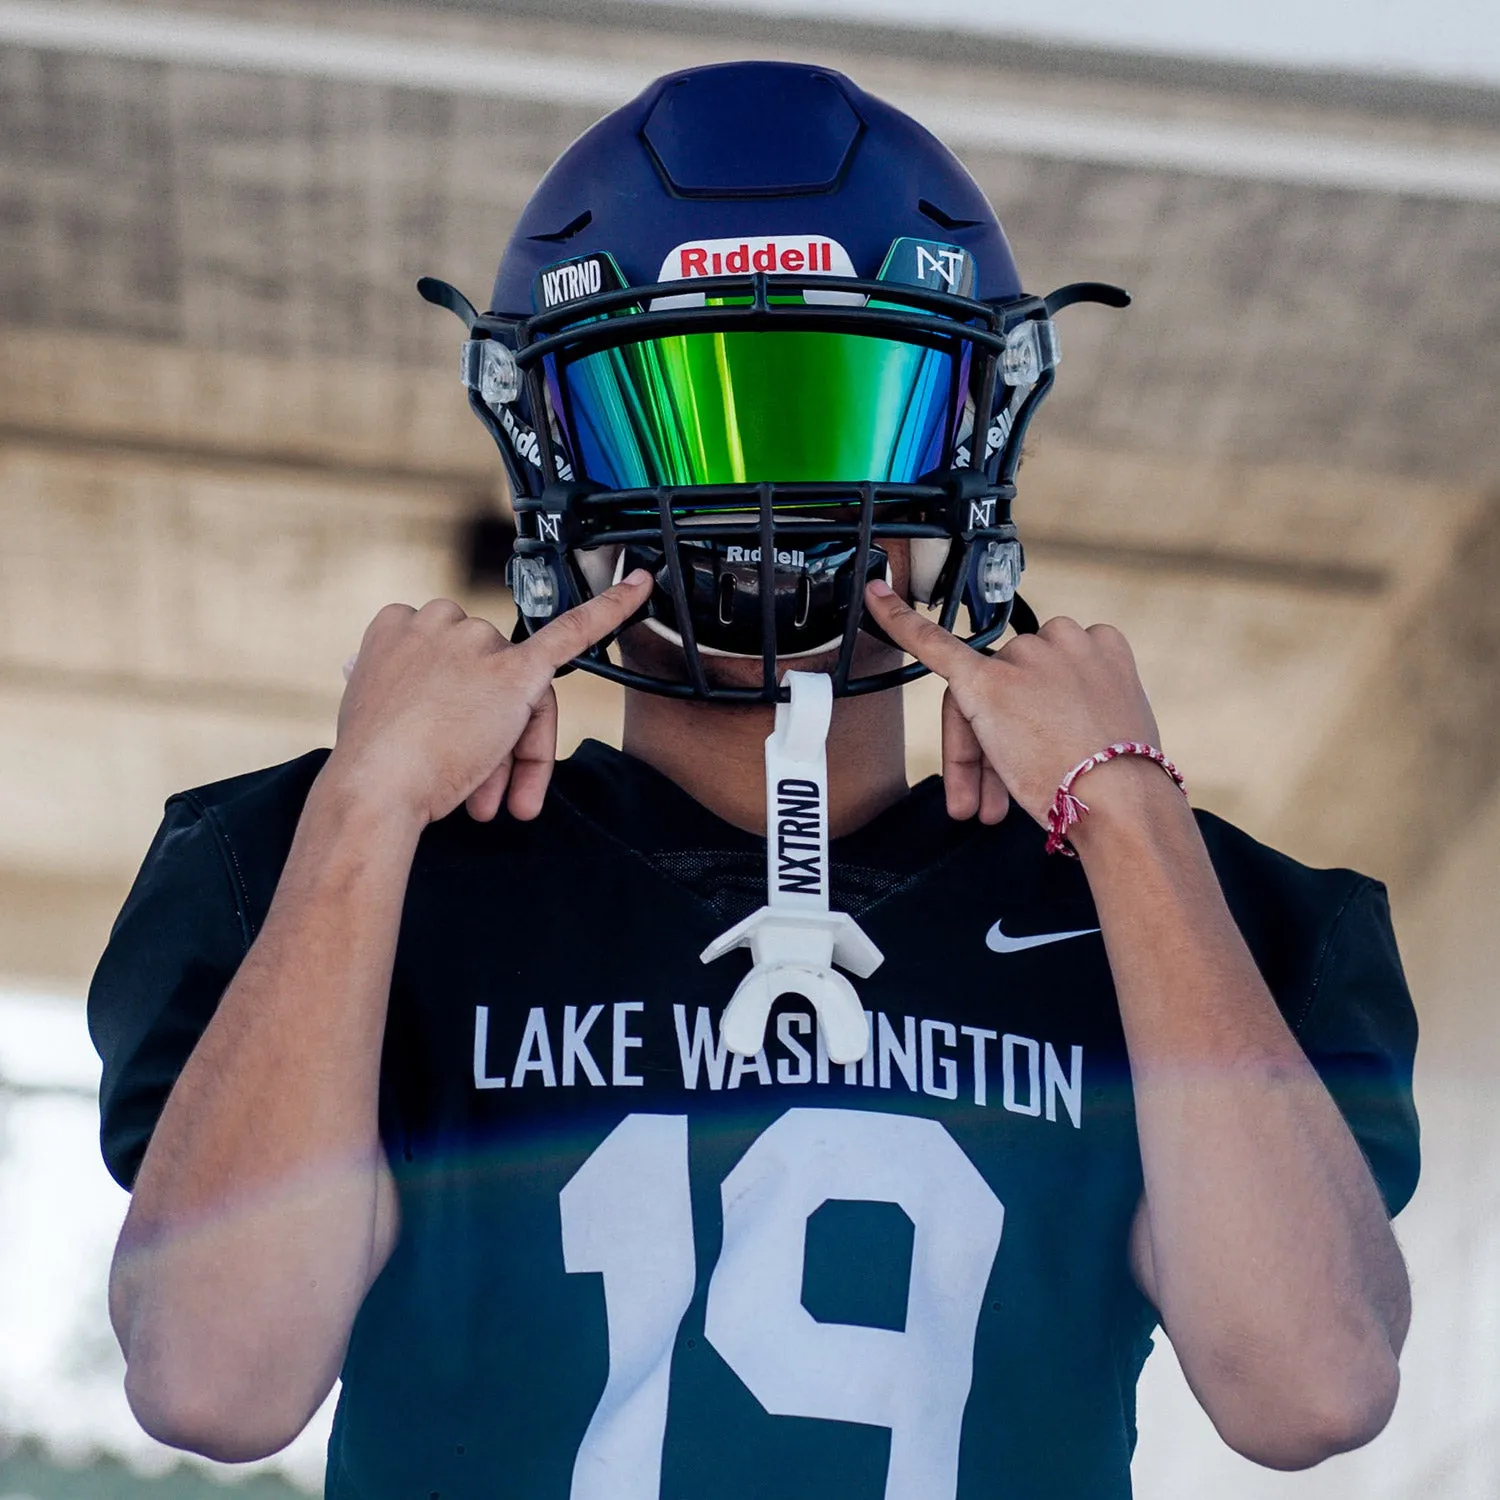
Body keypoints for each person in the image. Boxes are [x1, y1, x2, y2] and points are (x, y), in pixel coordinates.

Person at [88, 60, 1418, 1500]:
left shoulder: (1183, 919)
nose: (758, 495)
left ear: (972, 440)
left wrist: (1132, 819)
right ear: (552, 453)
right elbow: (213, 1382)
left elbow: (1311, 1386)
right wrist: (359, 814)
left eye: (846, 411)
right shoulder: (333, 870)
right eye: (683, 418)